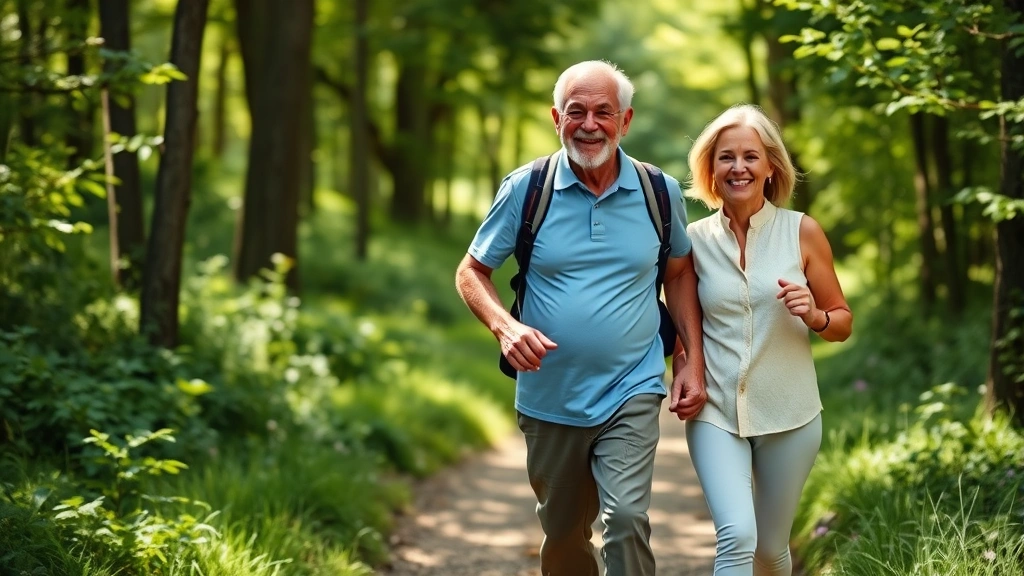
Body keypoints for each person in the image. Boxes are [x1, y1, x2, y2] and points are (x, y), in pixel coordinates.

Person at [455, 60, 706, 576]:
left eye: (603, 112)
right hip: (550, 393)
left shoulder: (659, 193)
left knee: (627, 518)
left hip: (632, 385)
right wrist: (507, 328)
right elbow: (472, 270)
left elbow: (680, 275)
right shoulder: (528, 189)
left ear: (625, 121)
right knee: (565, 534)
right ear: (556, 118)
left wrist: (691, 359)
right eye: (576, 111)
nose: (589, 124)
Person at [680, 103, 853, 576]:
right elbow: (682, 323)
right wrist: (682, 369)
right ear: (711, 169)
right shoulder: (690, 240)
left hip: (791, 413)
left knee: (770, 551)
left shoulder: (803, 232)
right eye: (727, 157)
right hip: (716, 410)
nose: (739, 167)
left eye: (751, 157)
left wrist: (815, 314)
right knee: (737, 536)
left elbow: (842, 322)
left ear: (771, 166)